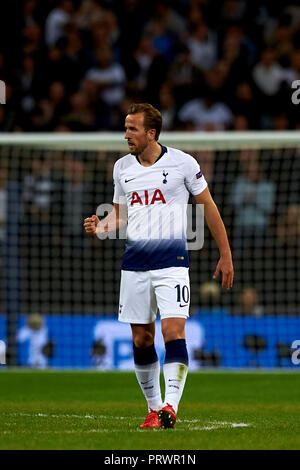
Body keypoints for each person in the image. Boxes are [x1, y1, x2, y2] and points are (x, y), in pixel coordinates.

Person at [84, 103, 234, 429]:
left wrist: (225, 254)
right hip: (134, 263)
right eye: (125, 128)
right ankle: (154, 410)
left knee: (172, 331)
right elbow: (120, 215)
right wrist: (102, 227)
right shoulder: (122, 167)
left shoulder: (183, 163)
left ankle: (171, 406)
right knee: (141, 339)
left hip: (172, 262)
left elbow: (207, 206)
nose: (126, 135)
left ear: (151, 133)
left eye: (132, 129)